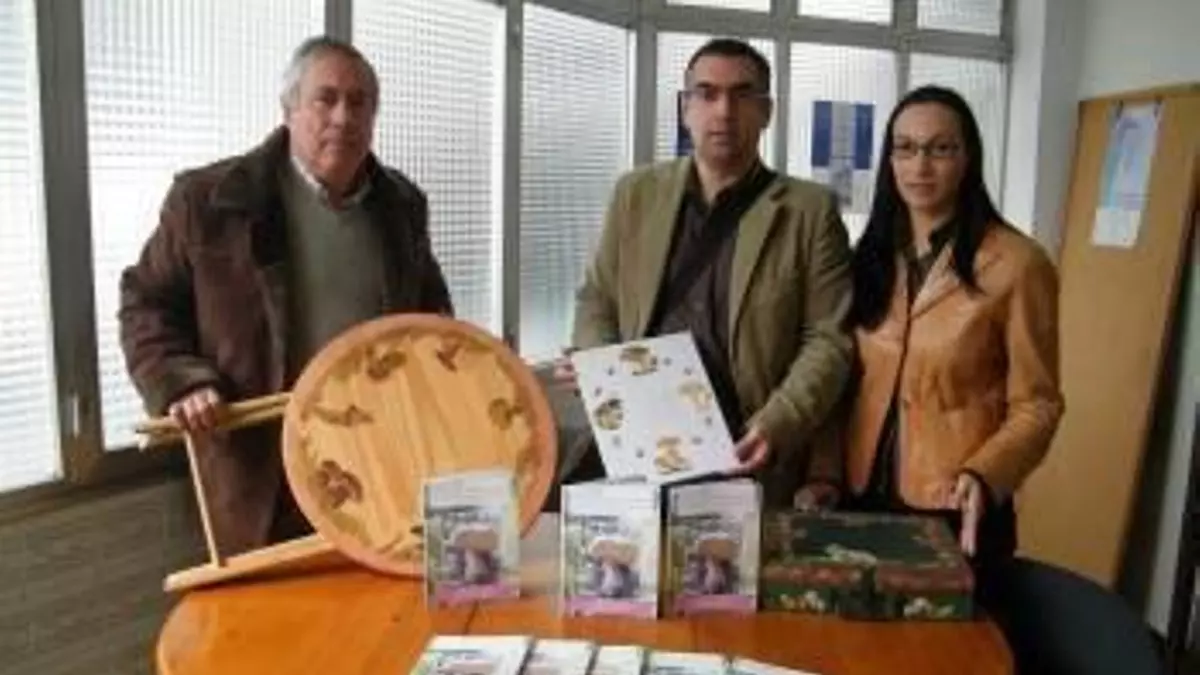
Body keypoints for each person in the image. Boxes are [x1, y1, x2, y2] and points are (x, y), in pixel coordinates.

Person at [118, 36, 453, 556]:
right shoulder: (207, 201)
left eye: (359, 102)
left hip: (375, 455)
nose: (343, 117)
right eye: (326, 99)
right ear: (289, 109)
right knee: (265, 602)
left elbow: (432, 318)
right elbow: (147, 302)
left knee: (373, 597)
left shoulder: (402, 206)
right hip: (255, 466)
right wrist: (182, 382)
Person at [560, 38, 855, 507]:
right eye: (707, 93)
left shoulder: (808, 211)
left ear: (766, 111)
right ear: (685, 108)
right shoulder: (636, 194)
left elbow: (829, 338)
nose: (724, 111)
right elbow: (599, 295)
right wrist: (600, 369)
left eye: (742, 94)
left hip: (744, 447)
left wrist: (778, 422)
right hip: (638, 437)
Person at [796, 85, 1065, 598]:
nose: (920, 166)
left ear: (968, 158)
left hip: (957, 504)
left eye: (940, 148)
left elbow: (1039, 404)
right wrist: (824, 474)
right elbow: (841, 387)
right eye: (905, 148)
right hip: (859, 500)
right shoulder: (870, 258)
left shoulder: (1018, 265)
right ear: (889, 161)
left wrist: (986, 474)